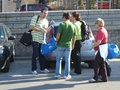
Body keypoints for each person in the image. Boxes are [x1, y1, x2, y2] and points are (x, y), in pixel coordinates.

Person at [29, 7, 52, 75]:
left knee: (42, 54)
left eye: (46, 13)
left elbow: (46, 31)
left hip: (42, 40)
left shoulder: (46, 21)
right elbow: (31, 26)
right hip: (35, 39)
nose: (45, 15)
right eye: (44, 13)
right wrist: (40, 30)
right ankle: (34, 69)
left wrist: (51, 26)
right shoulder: (35, 18)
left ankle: (42, 68)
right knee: (35, 55)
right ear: (41, 12)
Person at [55, 12, 76, 79]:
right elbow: (74, 37)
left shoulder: (62, 24)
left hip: (61, 45)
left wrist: (56, 41)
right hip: (68, 45)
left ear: (64, 17)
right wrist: (73, 45)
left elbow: (58, 35)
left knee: (59, 60)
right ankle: (66, 75)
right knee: (68, 60)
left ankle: (58, 74)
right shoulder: (73, 25)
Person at [89, 18, 108, 82]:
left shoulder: (101, 31)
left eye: (96, 23)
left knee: (96, 64)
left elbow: (99, 42)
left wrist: (92, 46)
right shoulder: (104, 30)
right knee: (102, 64)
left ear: (99, 24)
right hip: (103, 48)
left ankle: (95, 78)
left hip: (101, 48)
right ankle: (104, 78)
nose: (95, 25)